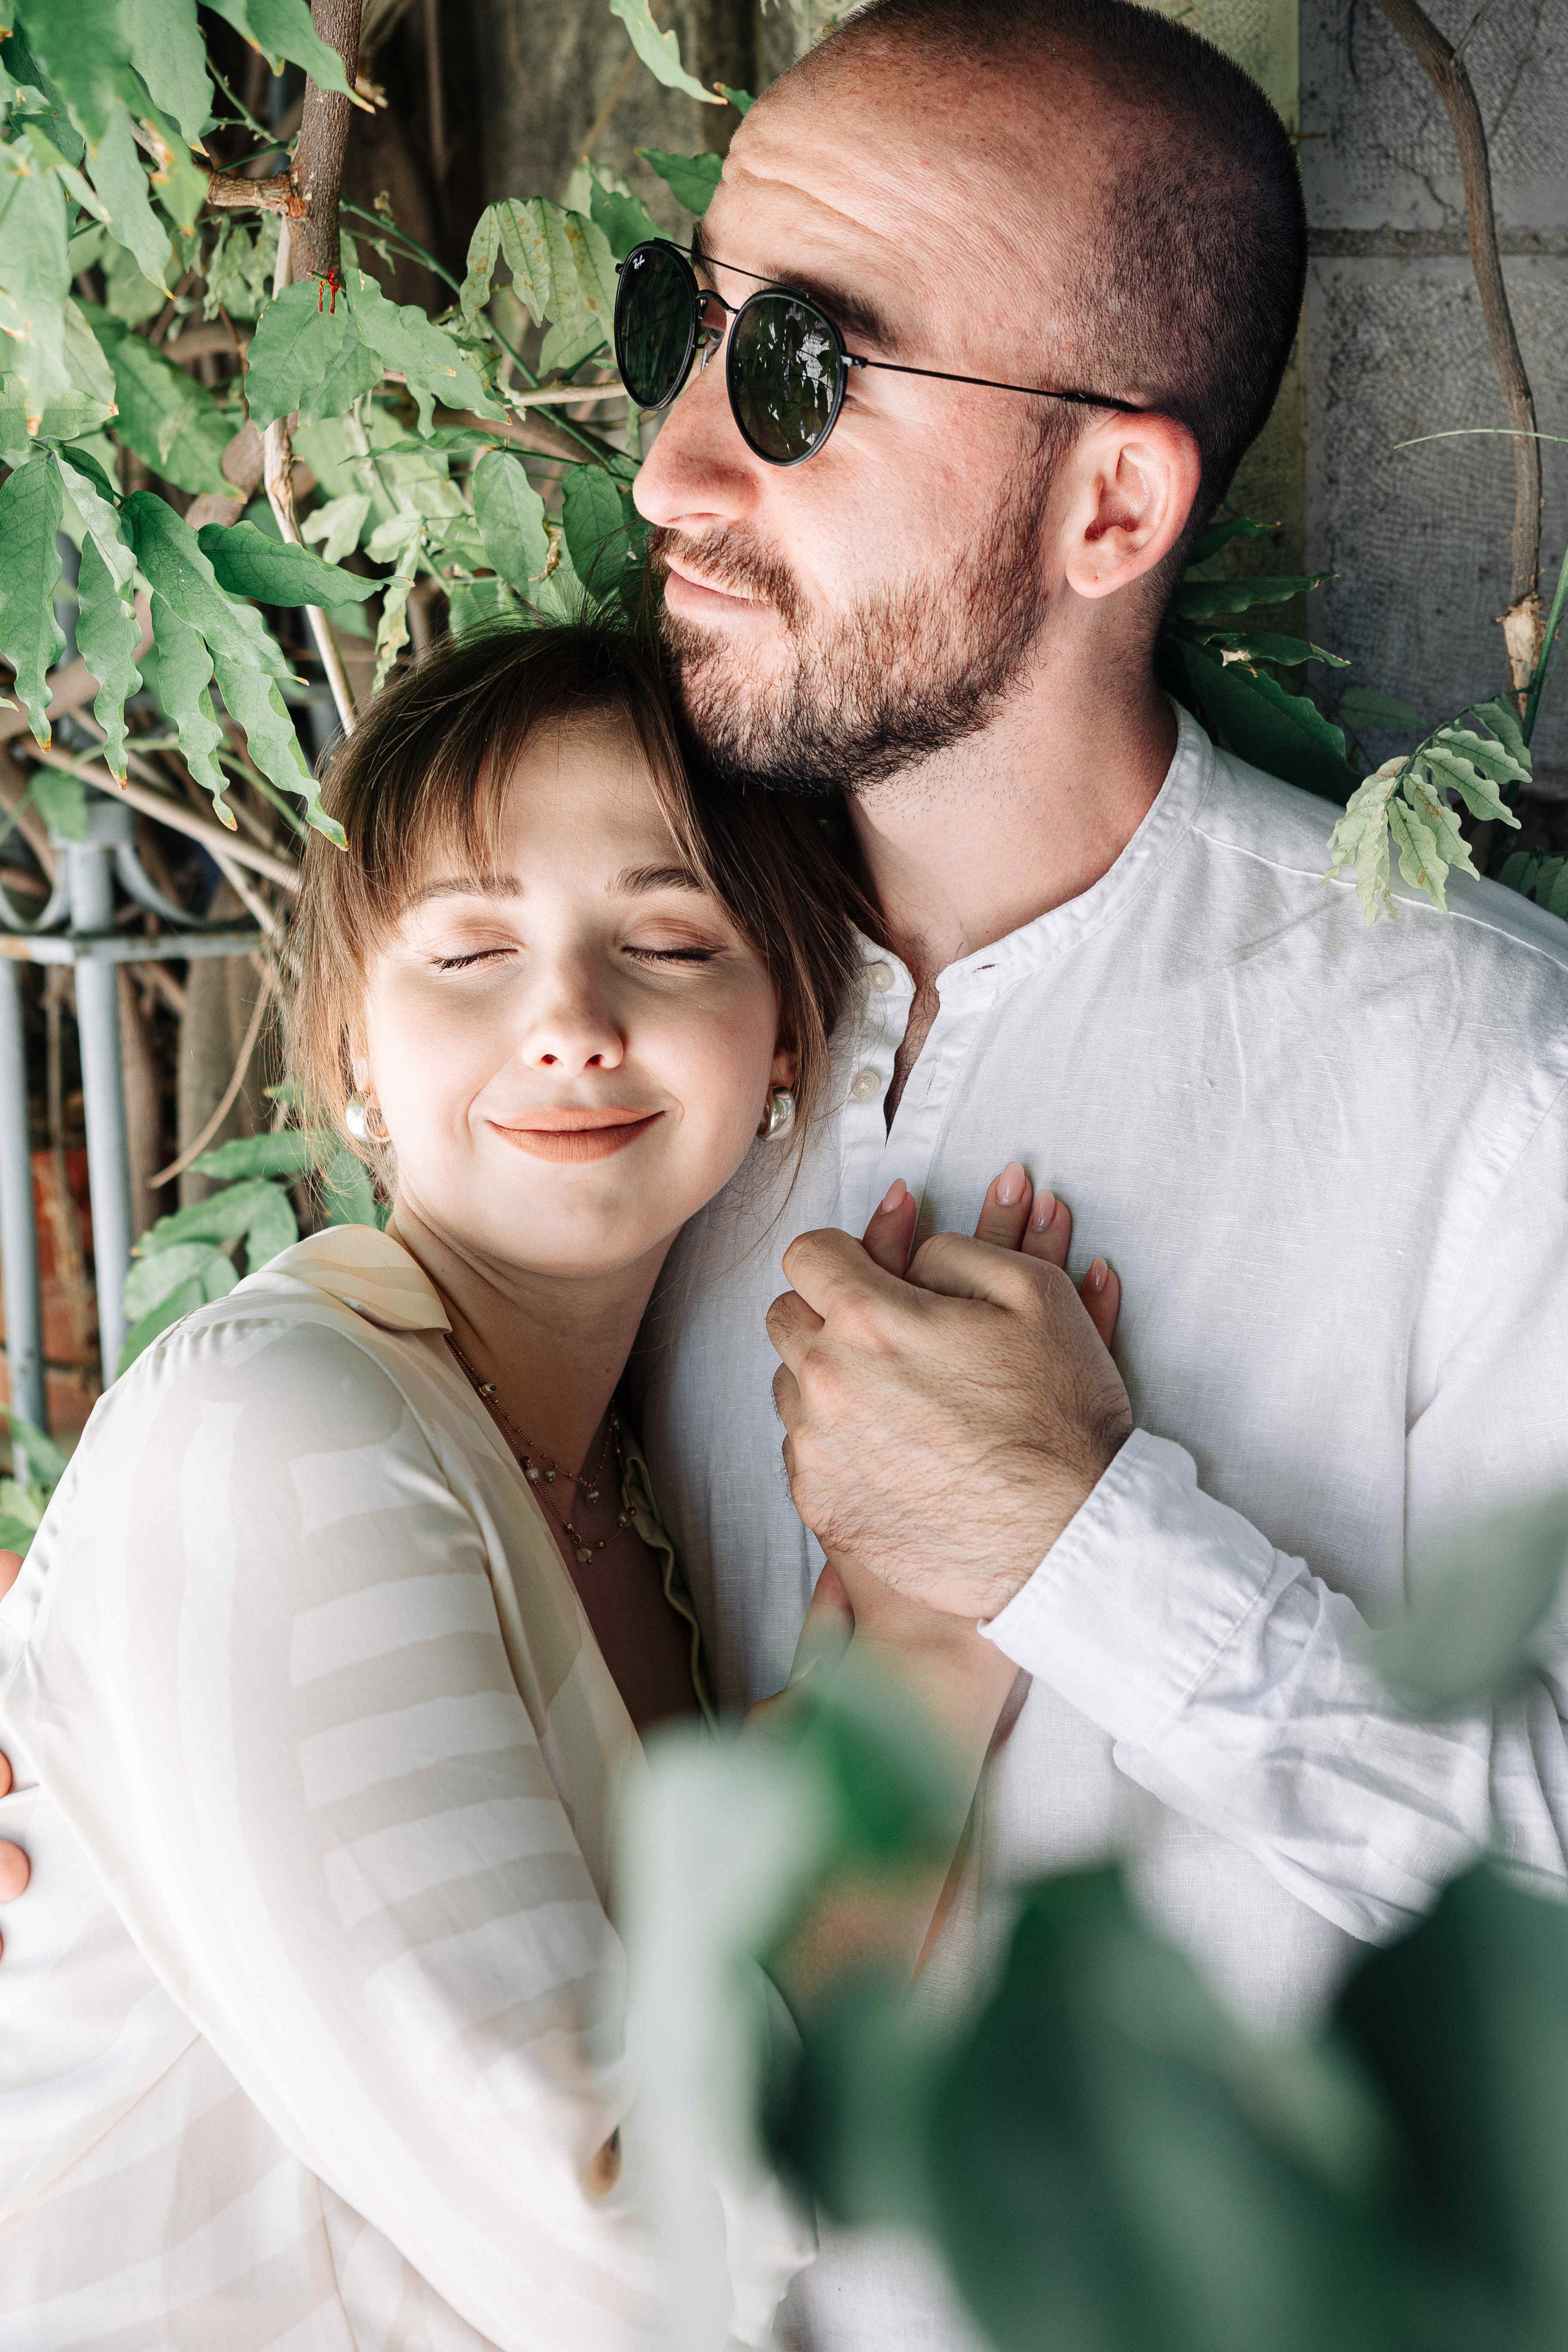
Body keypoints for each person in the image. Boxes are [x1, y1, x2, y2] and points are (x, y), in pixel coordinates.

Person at [616, 0, 1568, 2340]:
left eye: (804, 371)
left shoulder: (1493, 1087)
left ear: (1113, 507)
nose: (663, 465)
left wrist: (1086, 1550)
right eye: (687, 323)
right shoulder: (614, 1023)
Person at [0, 622, 1120, 2349]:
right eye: (466, 954)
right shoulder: (281, 1437)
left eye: (669, 939)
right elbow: (634, 2255)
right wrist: (923, 1651)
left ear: (788, 1046)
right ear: (355, 1051)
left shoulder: (640, 1497)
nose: (571, 1021)